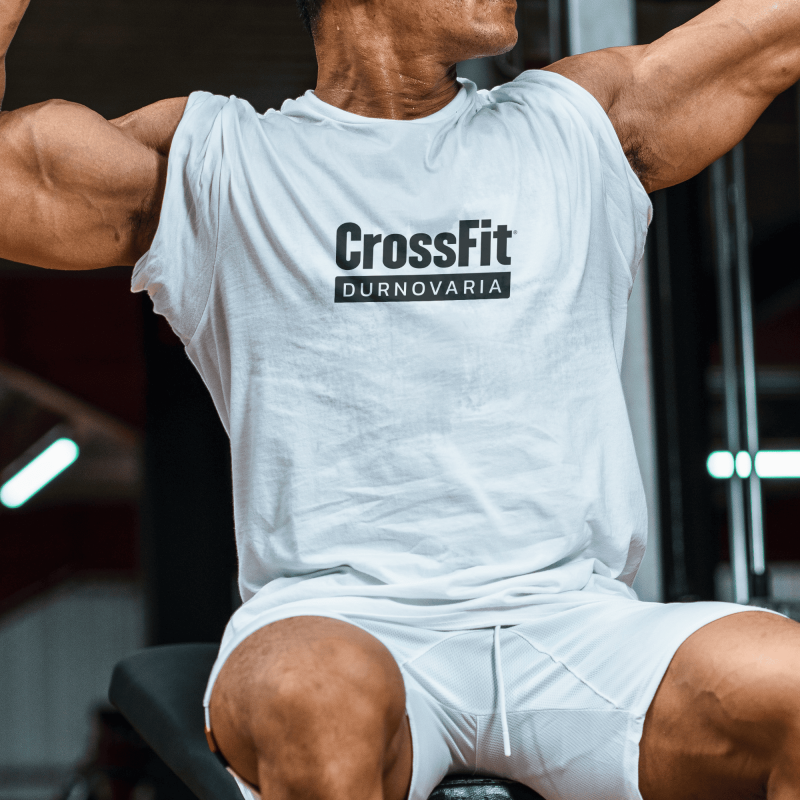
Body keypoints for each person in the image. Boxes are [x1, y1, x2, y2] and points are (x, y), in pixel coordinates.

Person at [3, 0, 800, 797]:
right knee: (316, 699)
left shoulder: (581, 125)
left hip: (573, 624)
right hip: (341, 617)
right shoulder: (216, 163)